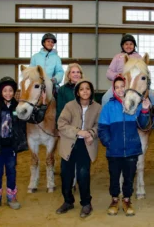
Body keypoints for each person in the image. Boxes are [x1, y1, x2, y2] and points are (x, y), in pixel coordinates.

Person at [0, 77, 47, 212]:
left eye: (10, 90)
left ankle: (12, 197)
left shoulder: (18, 108)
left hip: (11, 148)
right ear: (1, 92)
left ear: (14, 92)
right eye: (5, 91)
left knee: (11, 172)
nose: (8, 93)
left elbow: (36, 118)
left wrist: (44, 104)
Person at [98, 75, 151, 216]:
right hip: (114, 151)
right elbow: (102, 128)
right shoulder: (109, 106)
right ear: (113, 89)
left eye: (123, 86)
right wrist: (109, 143)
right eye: (117, 87)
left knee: (129, 177)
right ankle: (114, 200)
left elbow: (143, 124)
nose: (120, 90)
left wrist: (145, 110)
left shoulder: (136, 105)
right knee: (114, 177)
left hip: (131, 149)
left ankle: (127, 200)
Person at [56, 79, 101, 218]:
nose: (85, 91)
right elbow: (61, 124)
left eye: (88, 88)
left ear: (91, 91)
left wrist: (91, 134)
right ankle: (68, 201)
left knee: (83, 174)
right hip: (69, 143)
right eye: (82, 89)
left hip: (86, 145)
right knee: (66, 174)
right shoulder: (69, 106)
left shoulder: (97, 108)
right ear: (77, 92)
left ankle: (86, 203)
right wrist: (78, 131)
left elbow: (99, 125)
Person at [101, 34, 154, 108]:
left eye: (131, 44)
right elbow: (109, 72)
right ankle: (104, 115)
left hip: (135, 84)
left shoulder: (138, 57)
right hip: (120, 84)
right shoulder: (117, 57)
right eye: (126, 44)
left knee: (153, 95)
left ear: (134, 46)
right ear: (122, 46)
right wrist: (117, 75)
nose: (128, 46)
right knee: (105, 98)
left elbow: (145, 71)